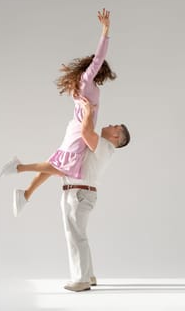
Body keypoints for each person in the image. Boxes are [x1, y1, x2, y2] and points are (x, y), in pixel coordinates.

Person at [0, 8, 117, 217]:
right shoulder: (87, 80)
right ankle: (19, 168)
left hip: (76, 128)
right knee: (61, 167)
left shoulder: (82, 83)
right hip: (80, 130)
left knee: (57, 164)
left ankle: (25, 194)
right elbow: (98, 58)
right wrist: (105, 31)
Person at [61, 96, 130, 292]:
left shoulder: (104, 145)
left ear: (116, 137)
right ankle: (88, 275)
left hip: (78, 194)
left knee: (75, 236)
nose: (109, 124)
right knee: (79, 235)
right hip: (81, 194)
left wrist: (88, 110)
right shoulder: (105, 148)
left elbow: (84, 132)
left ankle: (81, 279)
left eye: (114, 126)